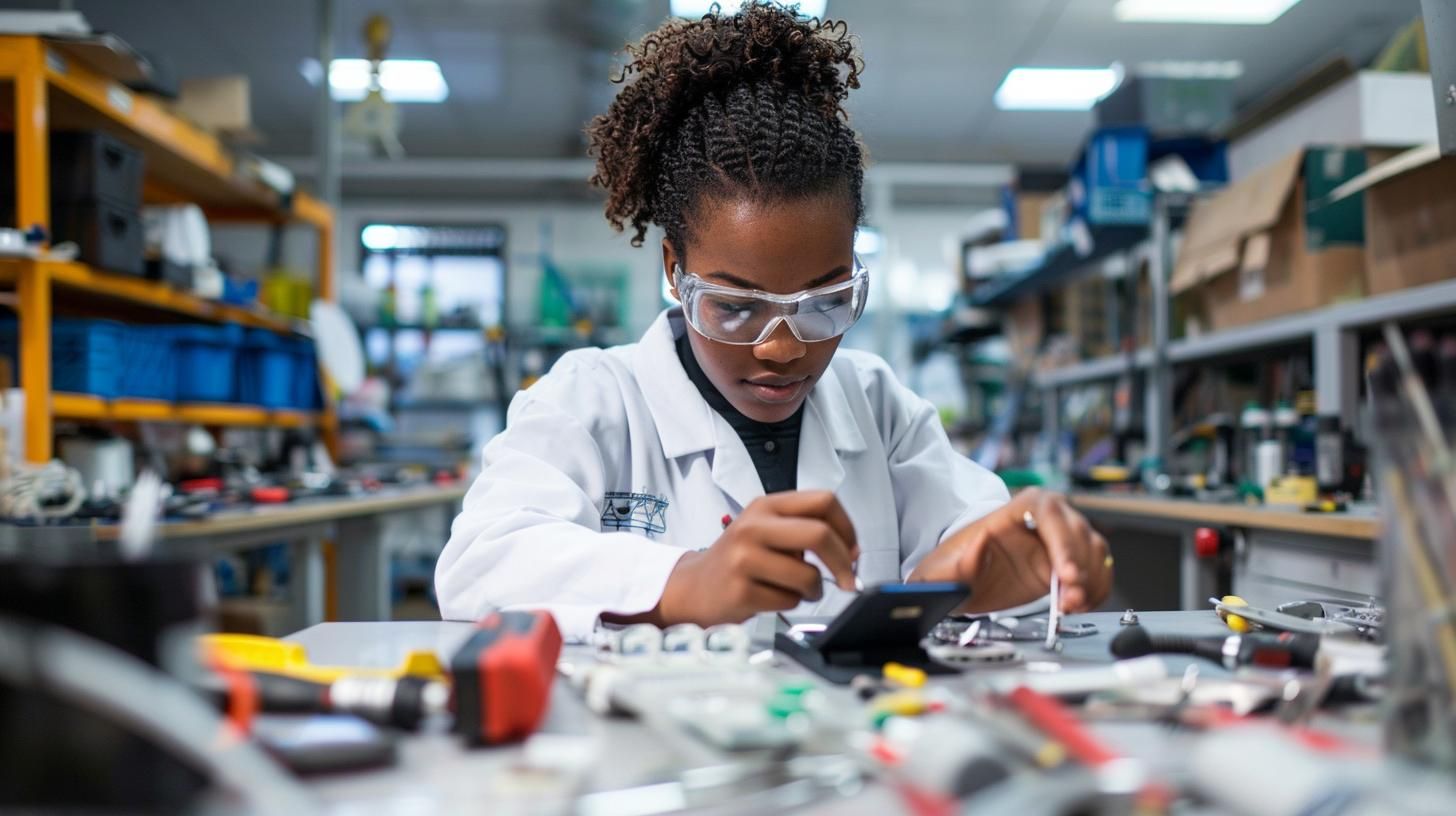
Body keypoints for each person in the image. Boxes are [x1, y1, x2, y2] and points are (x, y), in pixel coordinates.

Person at [436, 2, 1112, 641]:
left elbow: (975, 536)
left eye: (823, 302)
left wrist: (999, 566)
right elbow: (478, 566)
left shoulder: (877, 407)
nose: (784, 348)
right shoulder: (592, 400)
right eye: (735, 307)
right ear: (674, 271)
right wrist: (682, 580)